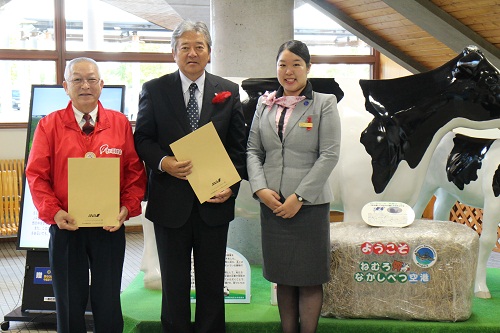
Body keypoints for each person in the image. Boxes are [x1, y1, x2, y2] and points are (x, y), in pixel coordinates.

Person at [133, 20, 247, 333]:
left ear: (209, 53)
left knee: (212, 282)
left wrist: (231, 186)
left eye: (199, 47)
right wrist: (163, 161)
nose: (192, 53)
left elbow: (239, 147)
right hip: (170, 202)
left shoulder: (228, 91)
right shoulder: (154, 90)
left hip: (214, 203)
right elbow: (142, 138)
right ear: (174, 53)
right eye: (185, 47)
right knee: (174, 283)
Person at [25, 57, 147, 333]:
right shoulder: (49, 125)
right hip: (67, 226)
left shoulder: (119, 124)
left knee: (108, 301)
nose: (85, 85)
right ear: (65, 86)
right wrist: (55, 213)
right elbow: (36, 175)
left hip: (109, 227)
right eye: (77, 79)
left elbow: (134, 173)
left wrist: (126, 209)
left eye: (92, 79)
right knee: (69, 302)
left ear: (101, 85)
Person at [246, 40, 341, 333]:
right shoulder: (264, 103)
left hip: (309, 206)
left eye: (296, 64)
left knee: (309, 277)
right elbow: (252, 150)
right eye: (283, 65)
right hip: (272, 204)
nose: (289, 72)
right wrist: (260, 189)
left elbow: (330, 154)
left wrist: (299, 197)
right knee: (283, 276)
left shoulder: (324, 103)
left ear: (308, 68)